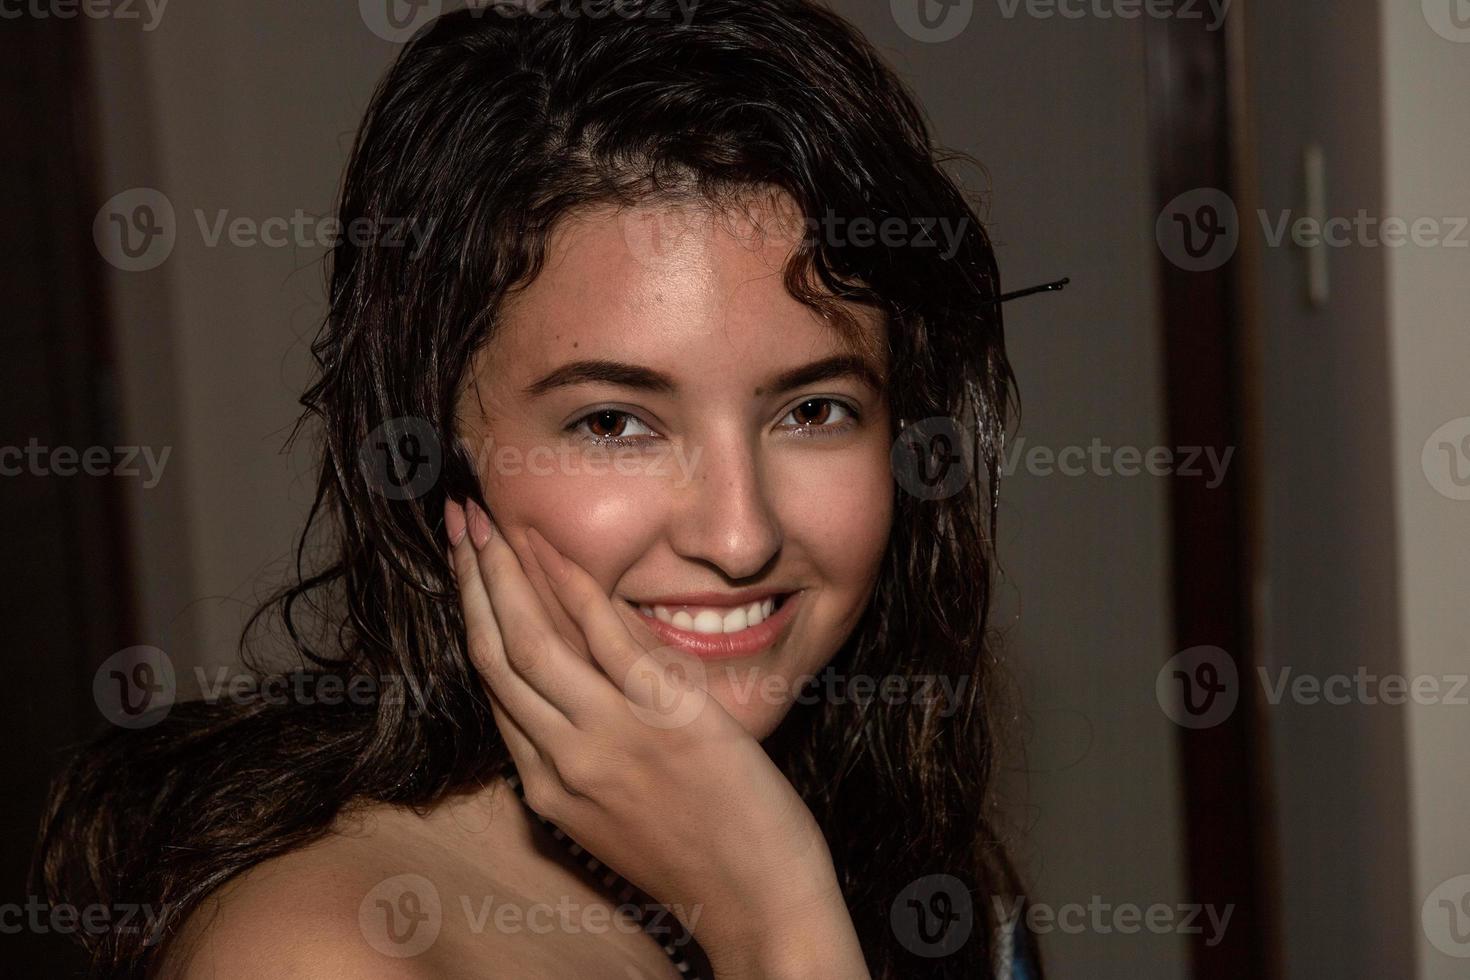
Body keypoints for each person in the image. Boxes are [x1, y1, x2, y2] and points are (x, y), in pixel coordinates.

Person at [38, 2, 1040, 976]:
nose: (740, 534)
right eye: (614, 423)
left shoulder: (906, 858)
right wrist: (771, 918)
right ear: (436, 453)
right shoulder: (329, 952)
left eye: (813, 411)